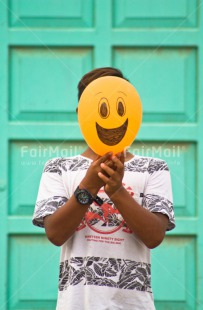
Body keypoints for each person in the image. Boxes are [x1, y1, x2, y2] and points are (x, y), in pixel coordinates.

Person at [32, 67, 175, 310]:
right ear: (81, 113)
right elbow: (55, 234)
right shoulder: (58, 168)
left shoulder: (154, 168)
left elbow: (154, 236)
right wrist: (89, 185)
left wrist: (117, 191)